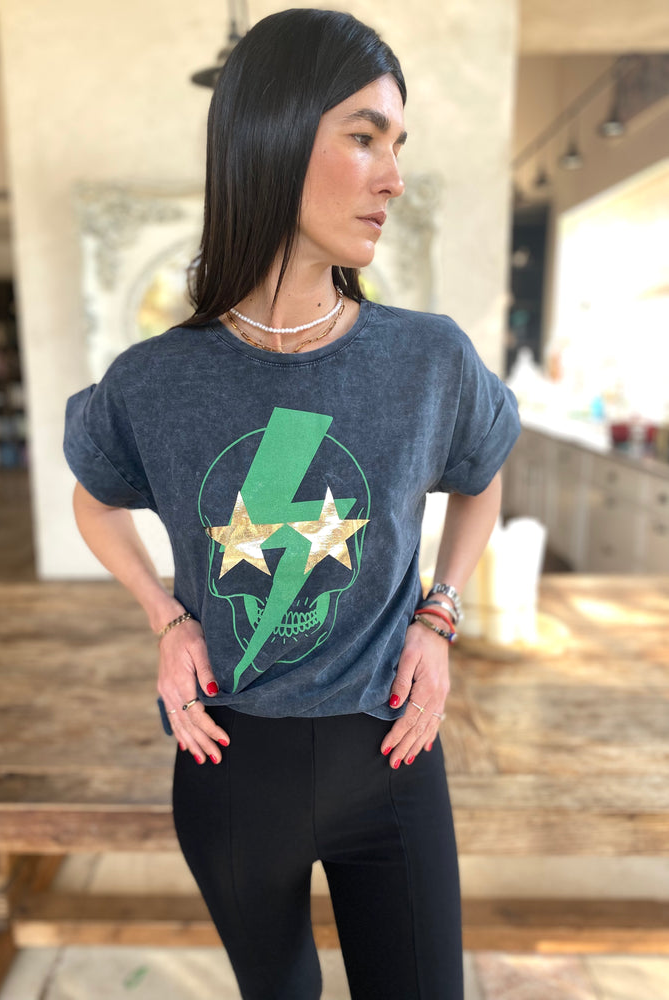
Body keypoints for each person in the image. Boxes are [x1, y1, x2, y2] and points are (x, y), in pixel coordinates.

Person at [64, 8, 520, 999]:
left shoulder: (429, 357)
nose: (393, 178)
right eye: (364, 137)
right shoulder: (154, 379)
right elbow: (94, 501)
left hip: (391, 751)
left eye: (398, 144)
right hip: (230, 762)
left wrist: (439, 615)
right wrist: (166, 618)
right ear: (271, 138)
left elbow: (482, 477)